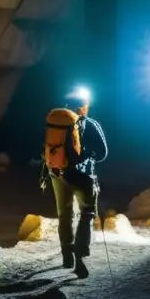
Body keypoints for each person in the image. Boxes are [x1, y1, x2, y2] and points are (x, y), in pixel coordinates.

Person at [43, 88, 108, 278]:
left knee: (64, 214)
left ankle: (66, 256)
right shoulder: (90, 124)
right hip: (82, 177)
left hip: (56, 174)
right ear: (84, 107)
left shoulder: (54, 124)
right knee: (86, 214)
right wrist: (87, 156)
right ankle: (80, 258)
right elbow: (103, 153)